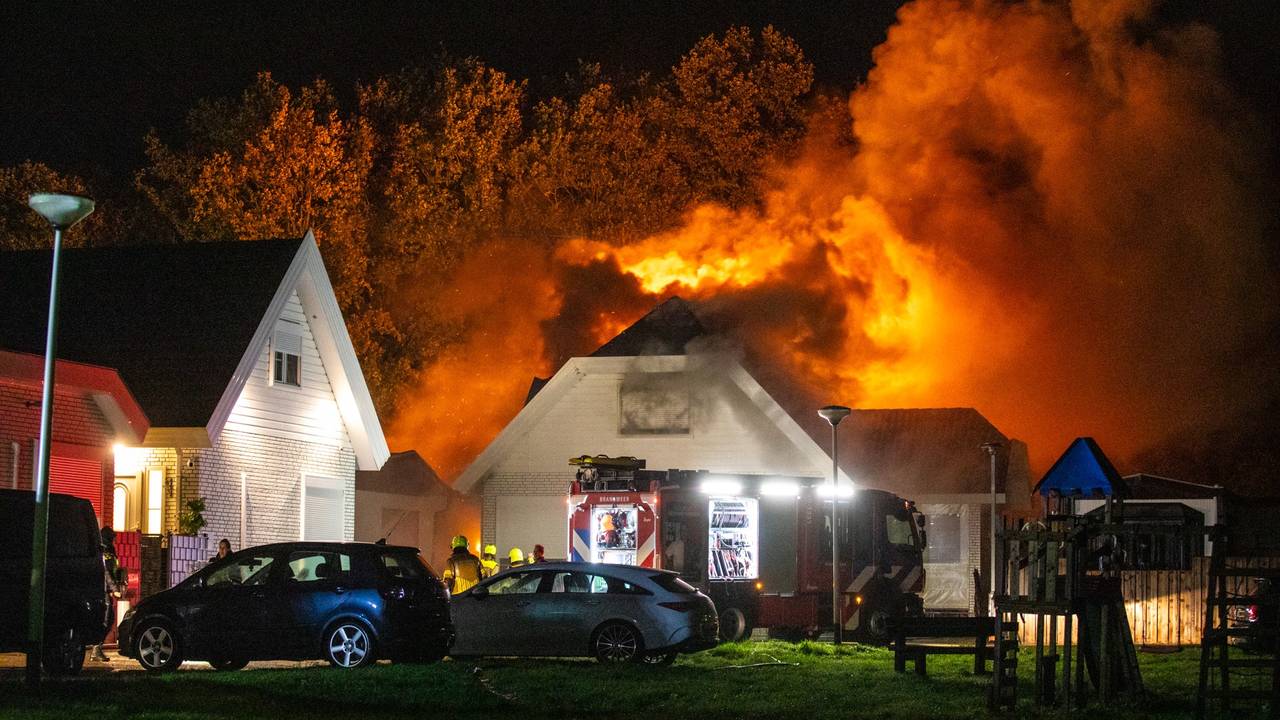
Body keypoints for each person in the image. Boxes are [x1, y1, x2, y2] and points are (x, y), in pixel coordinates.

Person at [89, 527, 127, 662]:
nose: (115, 540)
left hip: (107, 590)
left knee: (109, 619)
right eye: (113, 537)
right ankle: (96, 649)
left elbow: (113, 569)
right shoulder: (105, 550)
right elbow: (105, 571)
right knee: (106, 619)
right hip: (103, 590)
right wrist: (113, 588)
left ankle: (97, 648)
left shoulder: (109, 550)